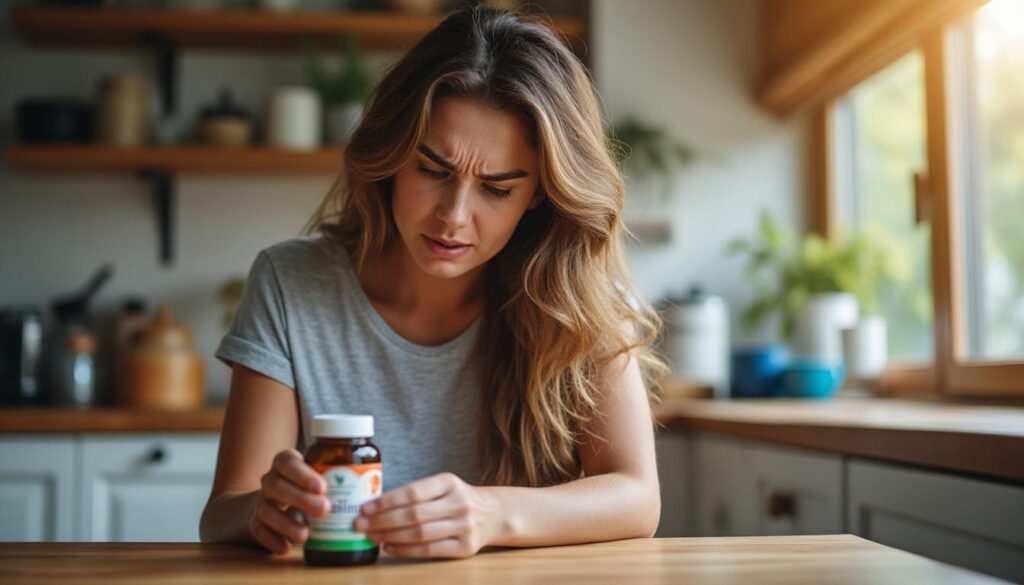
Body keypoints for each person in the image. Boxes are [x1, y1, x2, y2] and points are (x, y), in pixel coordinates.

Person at [199, 5, 667, 560]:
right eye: (432, 170)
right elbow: (223, 510)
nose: (453, 216)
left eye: (496, 189)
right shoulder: (290, 283)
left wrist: (492, 514)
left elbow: (638, 498)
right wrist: (261, 510)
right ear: (393, 154)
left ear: (539, 192)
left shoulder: (577, 302)